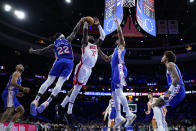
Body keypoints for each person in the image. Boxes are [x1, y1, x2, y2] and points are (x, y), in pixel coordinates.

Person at [29, 17, 85, 116]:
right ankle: (47, 102)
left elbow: (42, 51)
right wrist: (80, 22)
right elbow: (75, 31)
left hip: (59, 61)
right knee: (60, 83)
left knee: (48, 81)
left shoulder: (54, 44)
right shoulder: (68, 40)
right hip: (69, 62)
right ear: (62, 36)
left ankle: (36, 100)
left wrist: (32, 51)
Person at [57, 17, 105, 126]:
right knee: (77, 89)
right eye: (89, 36)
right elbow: (85, 33)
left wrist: (98, 25)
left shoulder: (96, 46)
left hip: (89, 70)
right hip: (82, 68)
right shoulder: (85, 43)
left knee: (75, 88)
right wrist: (86, 24)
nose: (91, 36)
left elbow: (103, 36)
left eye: (92, 36)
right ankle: (68, 113)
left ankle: (61, 106)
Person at [98, 16, 136, 129]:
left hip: (120, 70)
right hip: (114, 72)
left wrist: (117, 24)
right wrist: (98, 49)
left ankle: (129, 114)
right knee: (115, 95)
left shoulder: (121, 46)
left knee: (119, 93)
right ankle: (119, 117)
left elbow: (120, 34)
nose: (119, 39)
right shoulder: (115, 51)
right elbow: (106, 59)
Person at [153, 51, 185, 131]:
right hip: (177, 89)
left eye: (163, 55)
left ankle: (160, 128)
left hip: (177, 89)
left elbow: (177, 78)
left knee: (157, 104)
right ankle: (163, 128)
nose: (162, 57)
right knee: (157, 104)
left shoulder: (170, 64)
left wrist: (169, 92)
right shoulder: (170, 66)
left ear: (166, 58)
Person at [0, 64, 30, 131]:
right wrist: (23, 88)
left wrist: (18, 93)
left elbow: (14, 87)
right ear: (16, 68)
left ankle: (9, 126)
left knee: (21, 110)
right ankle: (1, 126)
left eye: (22, 66)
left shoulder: (19, 76)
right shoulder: (17, 73)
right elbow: (12, 83)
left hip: (12, 93)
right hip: (9, 92)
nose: (21, 66)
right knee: (10, 109)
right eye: (19, 65)